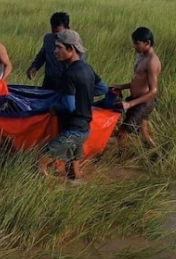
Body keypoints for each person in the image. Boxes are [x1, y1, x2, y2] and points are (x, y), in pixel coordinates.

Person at [39, 30, 105, 181]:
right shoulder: (87, 68)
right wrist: (84, 94)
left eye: (59, 47)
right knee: (74, 171)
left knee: (41, 161)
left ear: (71, 49)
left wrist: (55, 108)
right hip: (85, 130)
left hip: (72, 130)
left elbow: (69, 107)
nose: (55, 51)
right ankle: (77, 189)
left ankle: (47, 191)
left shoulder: (69, 74)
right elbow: (103, 89)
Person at [110, 27, 161, 148]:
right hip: (136, 99)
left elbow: (154, 91)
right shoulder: (142, 56)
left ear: (147, 43)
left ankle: (120, 161)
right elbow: (140, 81)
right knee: (144, 136)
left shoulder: (152, 61)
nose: (134, 46)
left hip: (143, 103)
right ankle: (160, 155)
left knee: (122, 134)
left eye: (137, 43)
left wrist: (130, 104)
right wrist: (122, 86)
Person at [26, 12, 84, 90]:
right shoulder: (48, 38)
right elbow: (42, 55)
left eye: (59, 32)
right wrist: (34, 67)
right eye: (53, 31)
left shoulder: (74, 42)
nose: (56, 35)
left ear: (68, 29)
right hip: (49, 82)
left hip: (66, 83)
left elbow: (80, 64)